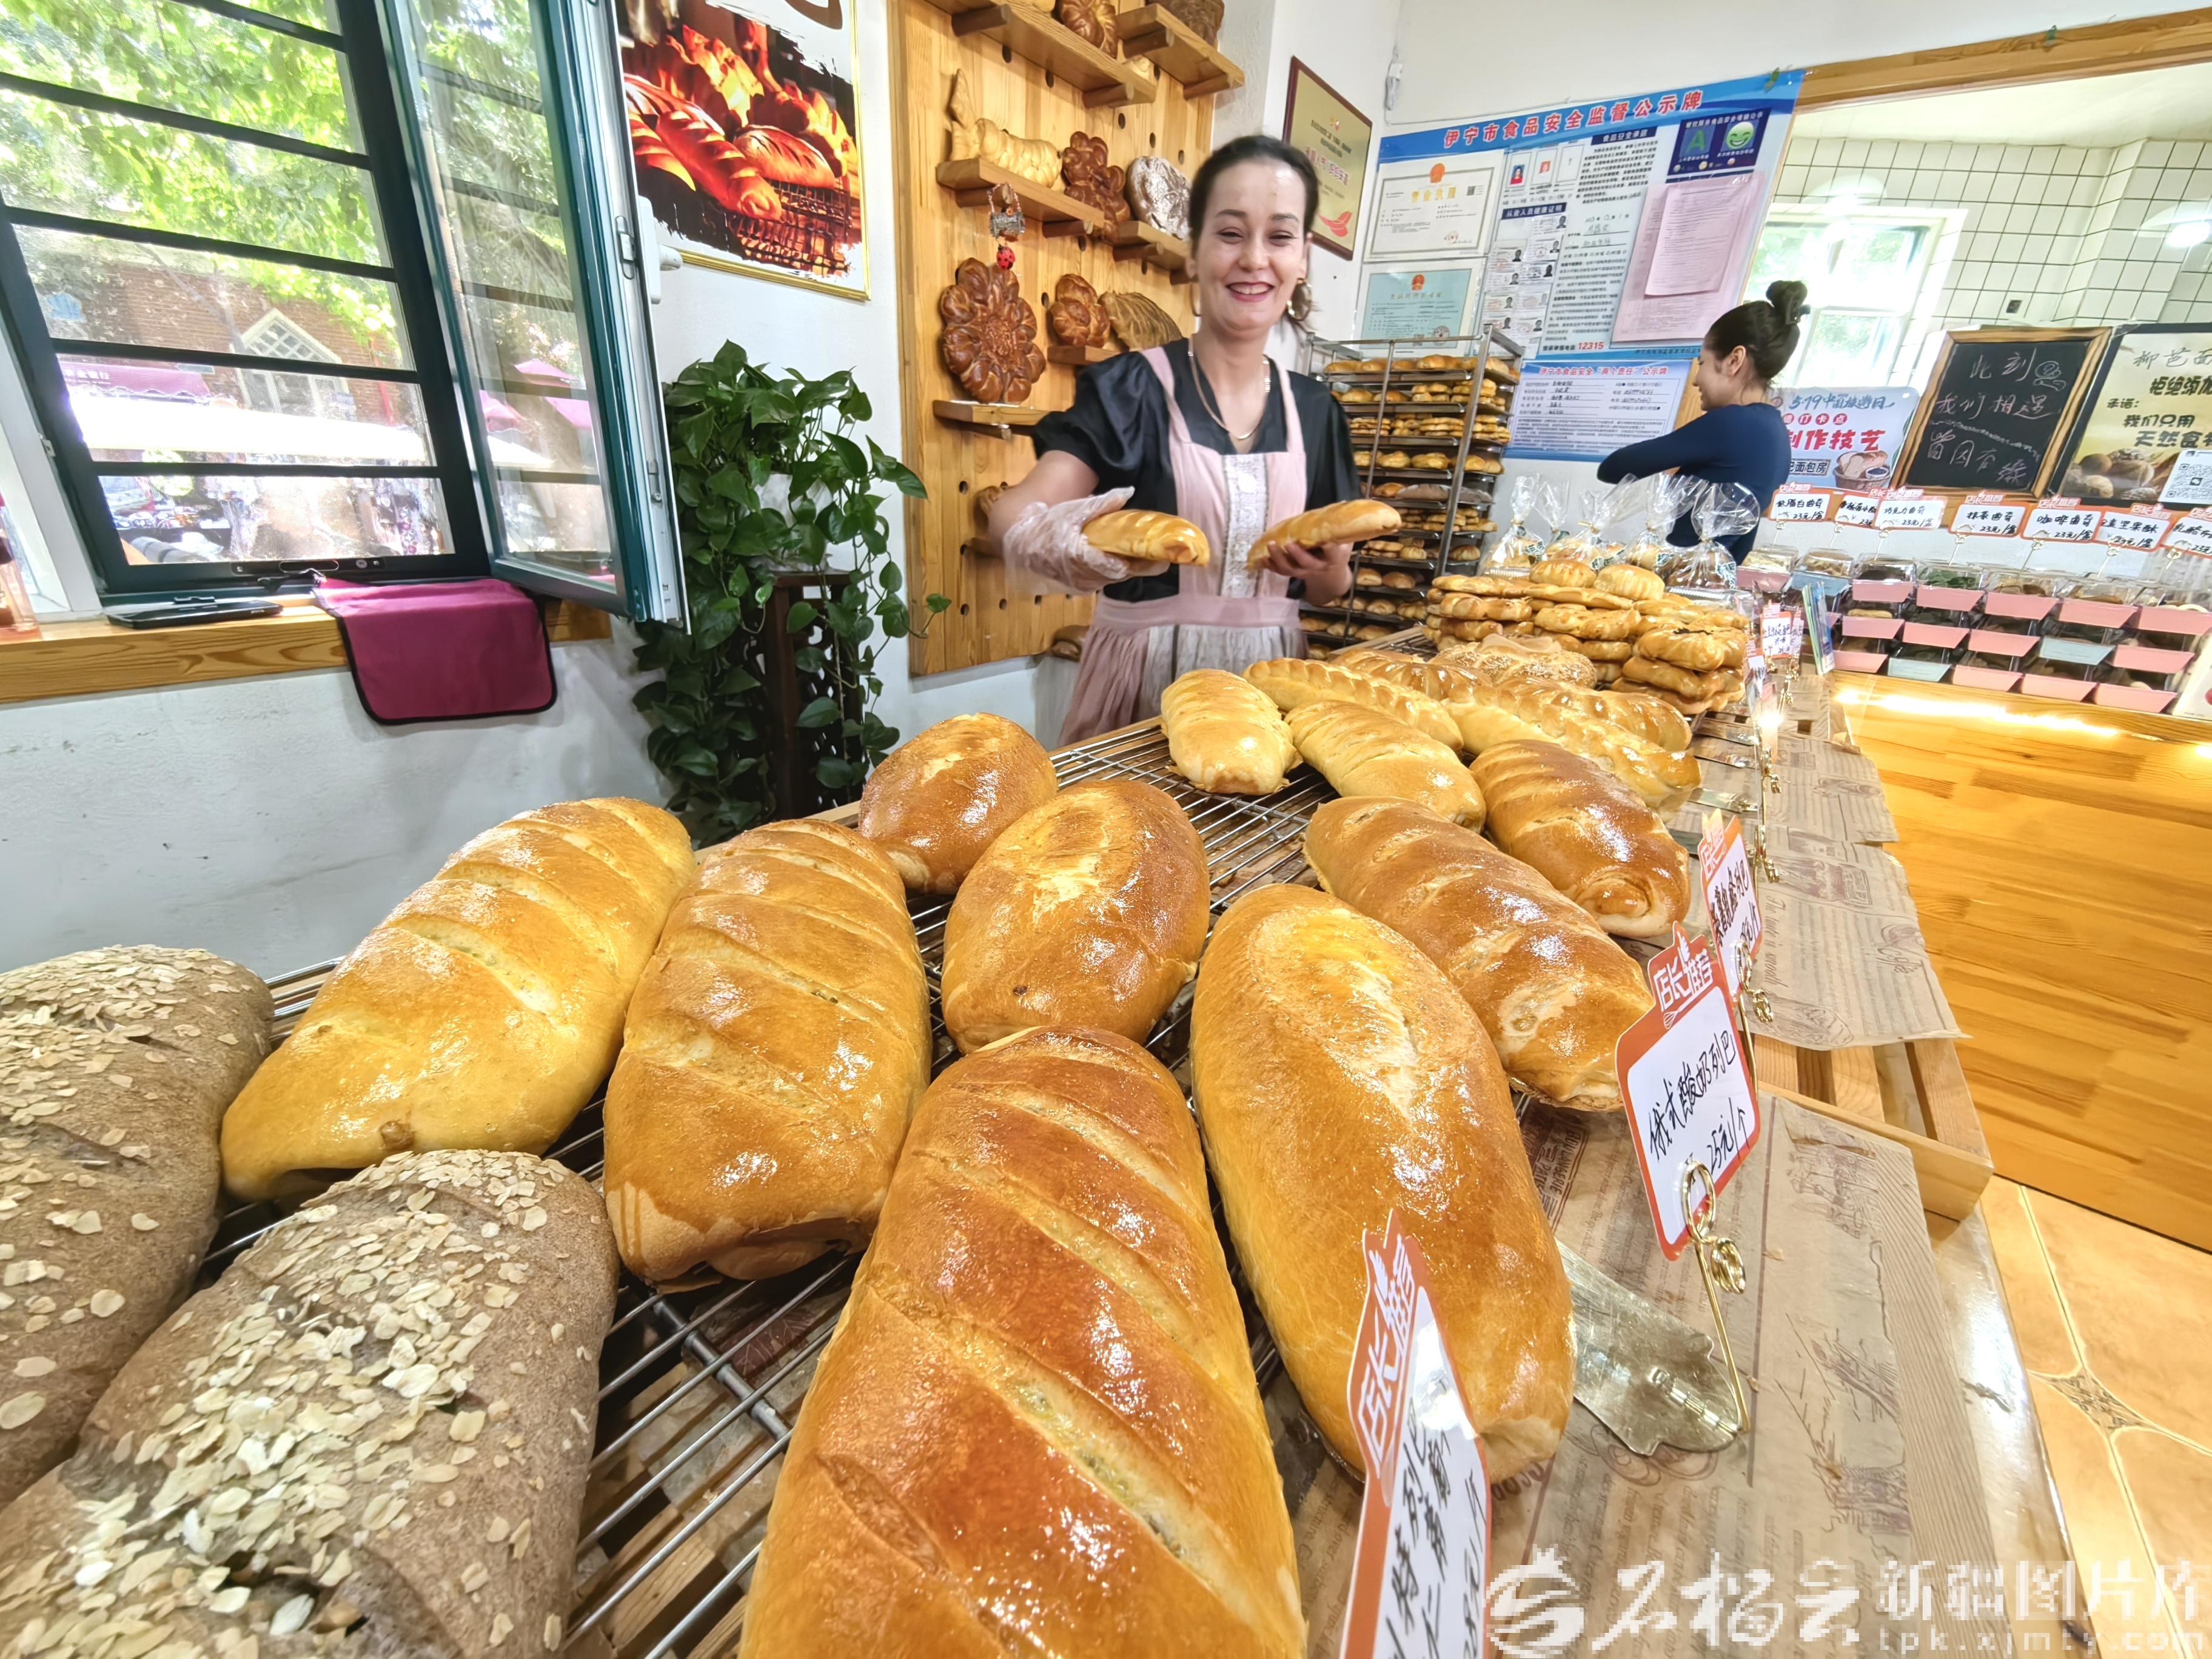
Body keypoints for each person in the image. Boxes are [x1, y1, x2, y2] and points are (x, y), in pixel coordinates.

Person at [987, 135, 1360, 744]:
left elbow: (1329, 590)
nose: (1254, 259)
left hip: (1268, 695)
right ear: (1194, 252)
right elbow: (1012, 514)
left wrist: (1330, 568)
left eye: (1279, 237)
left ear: (1302, 259)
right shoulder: (1129, 389)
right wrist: (1063, 543)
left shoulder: (1318, 412)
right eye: (1231, 233)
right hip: (1140, 692)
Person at [1595, 280, 1808, 558]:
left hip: (1685, 573)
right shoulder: (1775, 430)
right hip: (1717, 574)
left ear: (1734, 360)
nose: (1696, 380)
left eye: (1702, 363)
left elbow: (1613, 468)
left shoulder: (1731, 423)